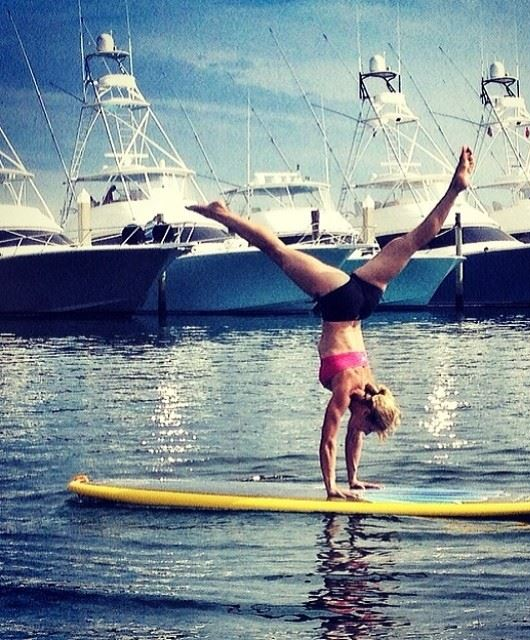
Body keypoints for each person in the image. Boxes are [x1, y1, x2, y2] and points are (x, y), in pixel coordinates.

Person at [187, 146, 474, 500]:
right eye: (369, 428)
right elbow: (327, 439)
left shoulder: (368, 390)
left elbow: (351, 434)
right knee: (277, 252)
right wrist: (331, 490)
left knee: (416, 240)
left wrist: (353, 481)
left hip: (363, 302)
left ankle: (455, 188)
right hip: (340, 303)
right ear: (368, 410)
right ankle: (223, 215)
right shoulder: (347, 391)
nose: (364, 434)